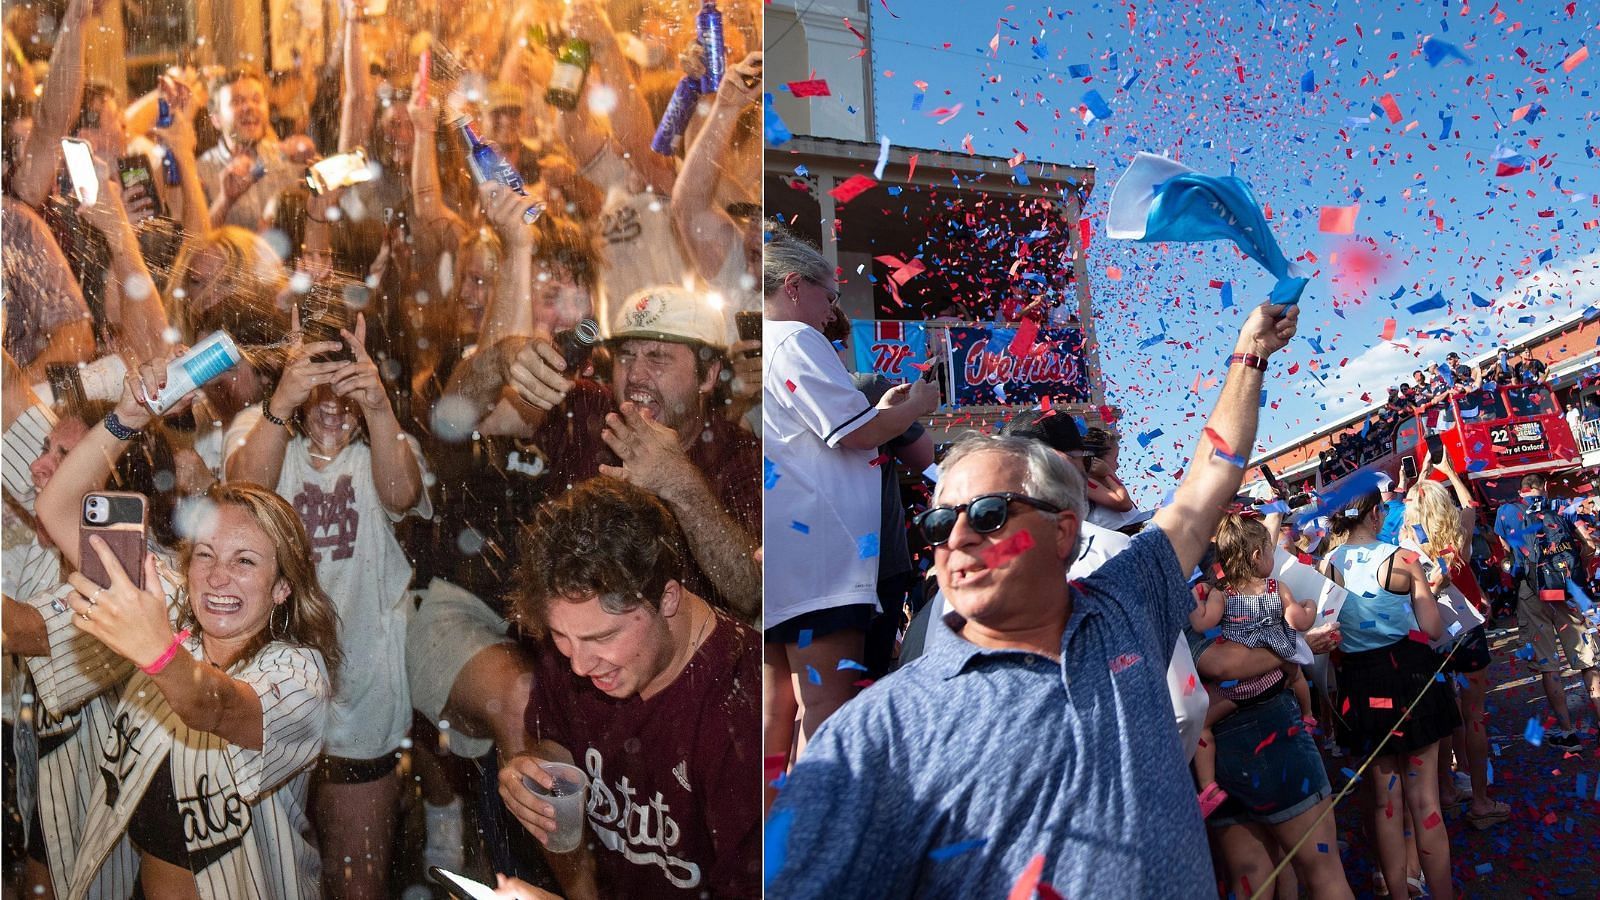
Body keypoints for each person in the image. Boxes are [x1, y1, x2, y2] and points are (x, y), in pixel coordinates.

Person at [767, 300, 1298, 897]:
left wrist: (1250, 353)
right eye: (938, 524)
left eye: (989, 515)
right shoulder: (874, 732)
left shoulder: (1126, 602)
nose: (959, 537)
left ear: (1063, 530)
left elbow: (1209, 480)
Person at [23, 350, 341, 898]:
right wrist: (129, 417)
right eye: (206, 555)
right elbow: (58, 508)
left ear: (282, 586)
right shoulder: (171, 603)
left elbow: (213, 705)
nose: (219, 577)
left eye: (245, 562)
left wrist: (158, 654)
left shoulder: (299, 674)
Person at [429, 477, 761, 897]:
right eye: (561, 637)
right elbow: (561, 741)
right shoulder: (575, 644)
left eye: (603, 638)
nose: (580, 665)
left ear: (668, 599)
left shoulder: (743, 711)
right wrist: (534, 769)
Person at [225, 312, 429, 900]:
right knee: (263, 878)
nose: (332, 401)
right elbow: (247, 497)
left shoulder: (386, 448)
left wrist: (380, 408)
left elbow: (402, 493)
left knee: (356, 881)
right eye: (318, 379)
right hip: (269, 691)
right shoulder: (263, 430)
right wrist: (280, 403)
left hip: (360, 697)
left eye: (346, 381)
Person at [760, 223, 939, 784]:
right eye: (827, 295)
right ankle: (811, 852)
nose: (830, 309)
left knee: (774, 717)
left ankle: (769, 840)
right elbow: (856, 435)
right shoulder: (792, 338)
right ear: (793, 286)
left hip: (790, 562)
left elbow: (837, 427)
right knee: (827, 715)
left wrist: (881, 409)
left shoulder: (763, 346)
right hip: (826, 562)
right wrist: (918, 405)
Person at [1320, 492, 1456, 900]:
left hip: (1361, 684)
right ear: (1377, 513)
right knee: (1425, 799)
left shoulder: (1327, 565)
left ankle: (1398, 893)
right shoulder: (1404, 559)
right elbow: (1432, 628)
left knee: (1385, 802)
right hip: (1408, 679)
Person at [1399, 462, 1509, 829]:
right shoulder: (1456, 540)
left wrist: (1415, 485)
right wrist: (1447, 470)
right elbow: (1470, 508)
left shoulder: (1404, 547)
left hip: (1430, 638)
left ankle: (1446, 790)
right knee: (1474, 715)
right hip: (1466, 634)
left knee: (1445, 716)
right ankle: (1480, 801)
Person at [1187, 512, 1315, 817]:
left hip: (1236, 690)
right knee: (1297, 674)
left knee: (1202, 725)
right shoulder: (1276, 588)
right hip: (1275, 673)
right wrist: (1309, 607)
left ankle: (1207, 787)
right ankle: (1309, 715)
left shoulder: (1221, 593)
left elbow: (1202, 620)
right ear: (1258, 555)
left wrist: (1194, 598)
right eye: (1271, 551)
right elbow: (1299, 621)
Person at [1501, 473, 1600, 749]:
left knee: (1549, 664)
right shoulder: (1562, 508)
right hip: (1567, 593)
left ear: (1521, 491)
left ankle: (1568, 734)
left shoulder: (1506, 513)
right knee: (1586, 660)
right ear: (1542, 488)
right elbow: (1590, 545)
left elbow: (1508, 554)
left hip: (1533, 593)